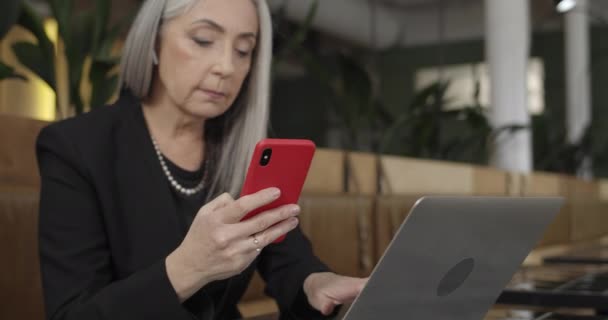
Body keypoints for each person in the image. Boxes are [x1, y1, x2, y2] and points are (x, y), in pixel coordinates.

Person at [36, 0, 367, 319]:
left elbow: (285, 257)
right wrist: (187, 268)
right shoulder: (76, 147)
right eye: (203, 40)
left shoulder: (246, 150)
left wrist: (317, 283)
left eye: (243, 51)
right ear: (153, 41)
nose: (226, 67)